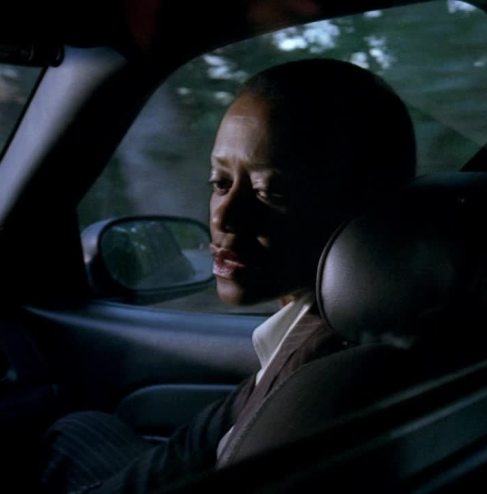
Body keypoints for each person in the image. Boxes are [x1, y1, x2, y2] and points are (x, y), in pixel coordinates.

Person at [39, 58, 416, 493]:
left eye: (269, 192)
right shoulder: (324, 333)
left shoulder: (320, 369)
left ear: (359, 206)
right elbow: (189, 450)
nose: (224, 216)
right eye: (220, 183)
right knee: (80, 428)